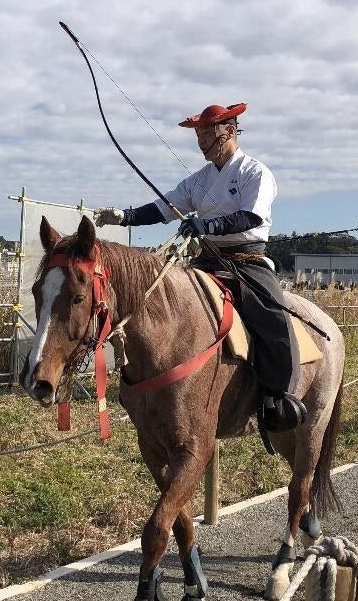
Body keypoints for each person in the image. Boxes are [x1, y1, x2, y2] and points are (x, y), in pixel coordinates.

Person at [94, 102, 306, 433]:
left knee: (272, 318)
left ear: (230, 131)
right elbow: (165, 206)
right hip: (206, 260)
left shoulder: (255, 172)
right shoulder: (200, 179)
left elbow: (252, 216)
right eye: (199, 136)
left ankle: (277, 397)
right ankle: (147, 386)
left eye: (208, 135)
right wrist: (126, 216)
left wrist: (208, 227)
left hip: (247, 261)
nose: (202, 143)